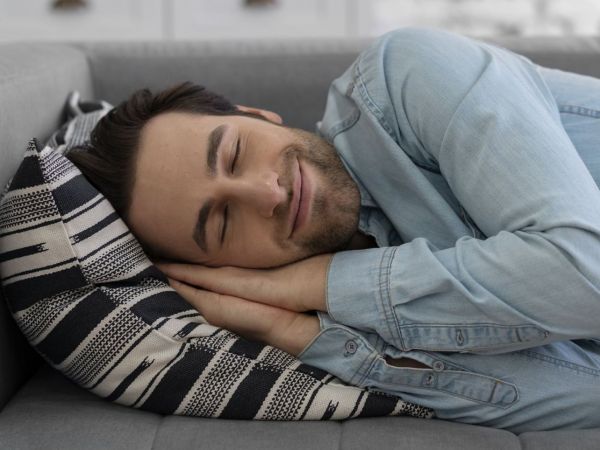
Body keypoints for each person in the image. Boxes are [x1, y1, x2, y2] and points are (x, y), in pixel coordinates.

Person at [66, 26, 600, 432]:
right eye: (223, 222)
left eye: (235, 152)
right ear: (221, 270)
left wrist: (313, 284)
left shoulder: (407, 73)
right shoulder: (357, 325)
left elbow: (586, 276)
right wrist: (292, 331)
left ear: (257, 114)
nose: (268, 193)